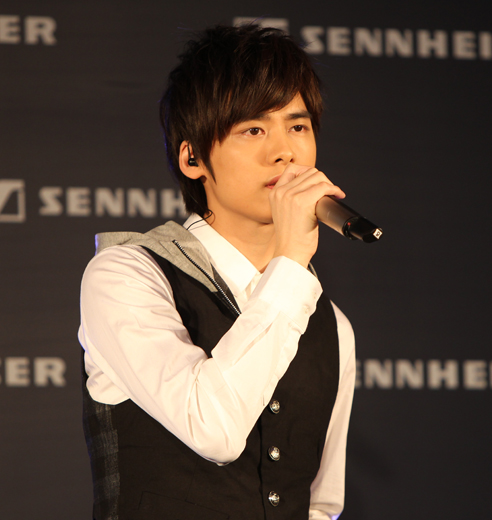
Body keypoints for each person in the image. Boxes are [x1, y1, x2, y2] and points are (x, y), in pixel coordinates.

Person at [79, 24, 355, 520]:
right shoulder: (127, 275)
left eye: (297, 127)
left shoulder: (330, 325)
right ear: (192, 157)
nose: (284, 152)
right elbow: (214, 429)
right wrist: (291, 257)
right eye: (254, 130)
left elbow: (320, 503)